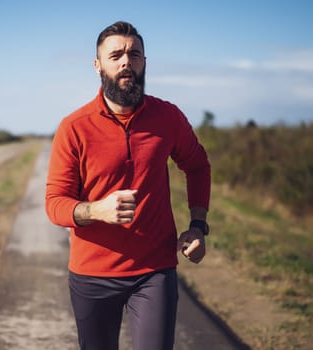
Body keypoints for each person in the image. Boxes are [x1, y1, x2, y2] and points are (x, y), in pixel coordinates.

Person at [45, 21, 211, 350]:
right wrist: (96, 210)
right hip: (92, 273)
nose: (126, 61)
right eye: (116, 54)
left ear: (144, 62)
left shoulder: (168, 117)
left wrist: (198, 225)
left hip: (154, 271)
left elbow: (197, 165)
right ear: (98, 65)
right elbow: (54, 203)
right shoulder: (73, 127)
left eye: (134, 54)